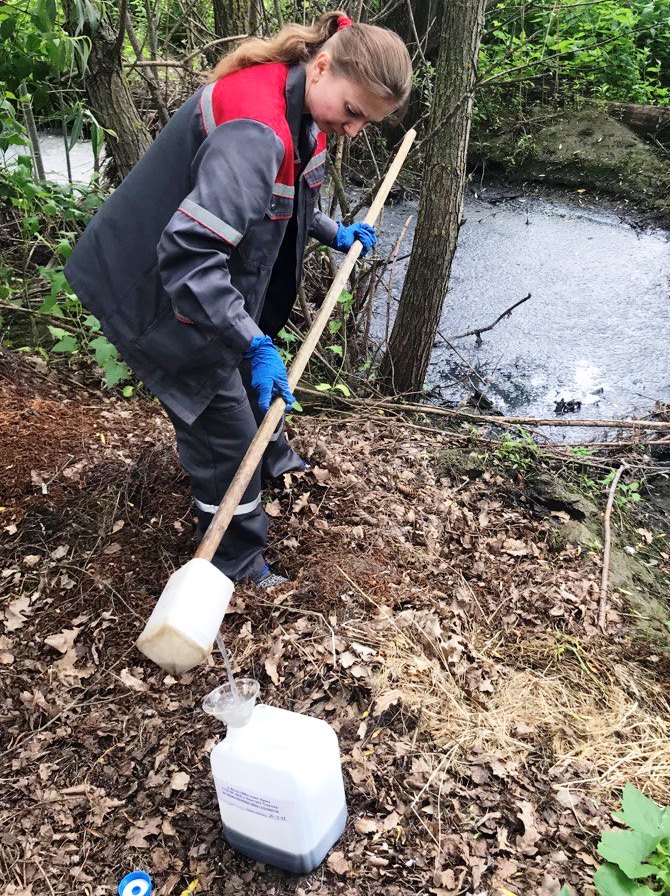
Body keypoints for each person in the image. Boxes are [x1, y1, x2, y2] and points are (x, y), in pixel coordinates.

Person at [64, 13, 412, 587]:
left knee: (249, 384)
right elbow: (190, 254)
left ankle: (272, 463)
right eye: (353, 112)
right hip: (152, 283)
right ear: (322, 66)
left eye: (367, 124)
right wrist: (250, 341)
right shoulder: (254, 127)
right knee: (220, 423)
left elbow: (284, 196)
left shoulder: (305, 109)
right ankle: (235, 562)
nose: (353, 131)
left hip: (198, 280)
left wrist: (333, 232)